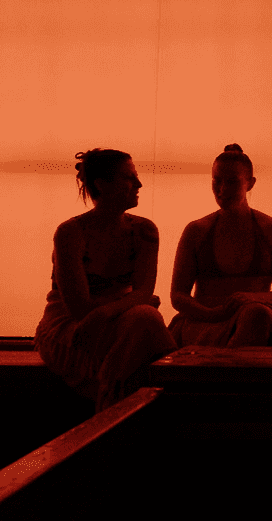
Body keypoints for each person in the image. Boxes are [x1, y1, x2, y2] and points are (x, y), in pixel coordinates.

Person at [34, 148, 175, 412]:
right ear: (102, 184)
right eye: (128, 178)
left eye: (136, 176)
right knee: (145, 320)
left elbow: (144, 293)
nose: (139, 184)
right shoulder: (70, 233)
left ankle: (108, 395)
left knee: (145, 318)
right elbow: (80, 309)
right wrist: (126, 300)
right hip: (71, 326)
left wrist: (111, 308)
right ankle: (180, 401)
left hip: (120, 319)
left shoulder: (144, 230)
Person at [169, 144, 272, 347]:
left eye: (232, 182)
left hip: (255, 318)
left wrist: (252, 299)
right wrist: (212, 314)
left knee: (257, 314)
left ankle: (228, 372)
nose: (222, 190)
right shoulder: (196, 231)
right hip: (203, 321)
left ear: (250, 183)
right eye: (216, 181)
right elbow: (177, 296)